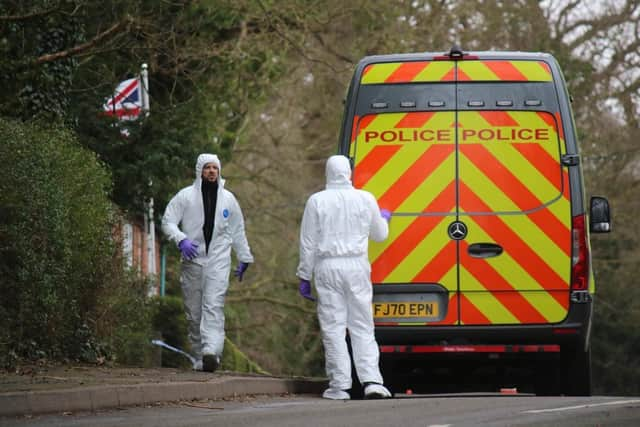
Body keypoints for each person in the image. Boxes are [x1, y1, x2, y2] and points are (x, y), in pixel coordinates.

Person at [297, 154, 392, 400]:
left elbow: (308, 242)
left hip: (327, 267)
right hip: (357, 265)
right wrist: (384, 219)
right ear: (349, 172)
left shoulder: (316, 201)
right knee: (362, 325)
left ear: (327, 172)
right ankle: (372, 381)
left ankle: (340, 386)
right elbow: (380, 235)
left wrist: (304, 275)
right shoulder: (366, 198)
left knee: (334, 327)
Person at [162, 153, 253, 372]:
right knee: (194, 312)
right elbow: (168, 221)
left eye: (215, 168)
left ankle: (211, 351)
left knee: (213, 304)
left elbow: (237, 230)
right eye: (207, 168)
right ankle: (199, 355)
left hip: (218, 260)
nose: (211, 171)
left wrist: (244, 256)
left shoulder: (229, 200)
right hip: (192, 260)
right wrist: (181, 239)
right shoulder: (185, 197)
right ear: (199, 171)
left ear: (219, 171)